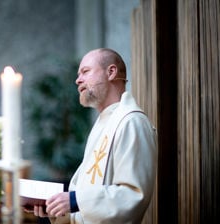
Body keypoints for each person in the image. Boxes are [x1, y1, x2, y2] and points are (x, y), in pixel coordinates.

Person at [32, 48, 157, 223]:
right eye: (78, 74)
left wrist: (75, 200)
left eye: (85, 71)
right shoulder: (103, 124)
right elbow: (86, 204)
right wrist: (57, 209)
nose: (78, 80)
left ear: (111, 72)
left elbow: (133, 196)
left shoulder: (131, 121)